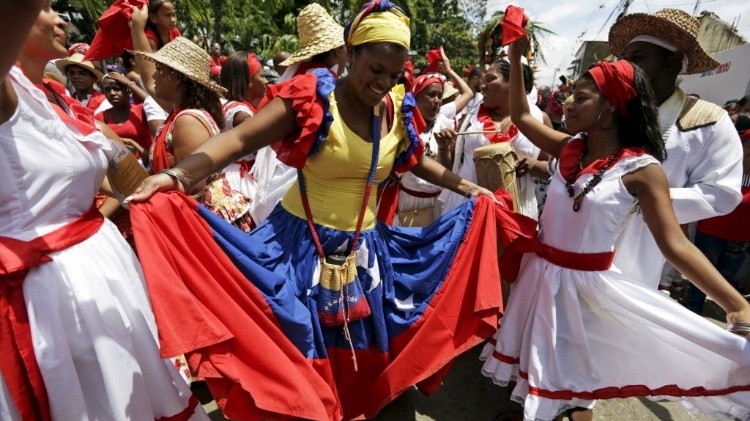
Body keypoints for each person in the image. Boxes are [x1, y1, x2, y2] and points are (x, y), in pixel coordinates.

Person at [127, 1, 515, 419]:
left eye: (394, 73)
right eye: (376, 68)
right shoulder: (312, 96)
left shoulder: (395, 109)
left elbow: (414, 160)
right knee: (297, 362)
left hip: (365, 254)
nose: (384, 82)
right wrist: (178, 176)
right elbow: (239, 141)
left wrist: (468, 187)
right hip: (297, 249)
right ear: (350, 53)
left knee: (365, 368)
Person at [481, 34, 750, 421]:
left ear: (611, 107)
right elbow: (522, 116)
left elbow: (676, 245)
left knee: (576, 382)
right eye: (570, 94)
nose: (567, 103)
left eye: (581, 97)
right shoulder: (571, 149)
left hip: (586, 295)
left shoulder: (641, 171)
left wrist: (737, 305)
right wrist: (514, 53)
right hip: (541, 279)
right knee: (544, 370)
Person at [0, 2, 203, 419]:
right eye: (43, 8)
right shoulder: (6, 98)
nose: (60, 19)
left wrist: (173, 200)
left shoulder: (62, 102)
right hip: (55, 294)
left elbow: (129, 177)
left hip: (107, 272)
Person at [608, 8, 743, 290]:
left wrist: (644, 197)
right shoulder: (611, 110)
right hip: (582, 248)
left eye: (638, 59)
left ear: (672, 63)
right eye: (626, 59)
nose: (627, 68)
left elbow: (722, 193)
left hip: (643, 252)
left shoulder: (708, 121)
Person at [251, 2, 348, 225]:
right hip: (310, 198)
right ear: (336, 51)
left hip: (286, 191)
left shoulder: (296, 85)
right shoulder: (323, 88)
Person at [437, 58, 548, 220]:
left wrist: (533, 165)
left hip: (514, 215)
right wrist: (443, 148)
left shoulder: (538, 119)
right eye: (483, 80)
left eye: (490, 79)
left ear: (514, 82)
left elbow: (551, 169)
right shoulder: (469, 120)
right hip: (467, 212)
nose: (482, 86)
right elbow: (450, 166)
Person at [686, 115, 750, 313]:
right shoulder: (725, 170)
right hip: (711, 232)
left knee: (726, 278)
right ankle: (692, 312)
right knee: (701, 275)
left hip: (740, 239)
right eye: (749, 148)